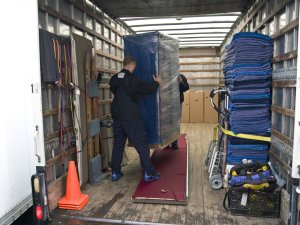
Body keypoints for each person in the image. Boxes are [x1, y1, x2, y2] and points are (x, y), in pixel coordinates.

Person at [109, 56, 161, 182]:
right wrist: (157, 82)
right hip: (131, 117)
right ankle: (149, 173)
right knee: (142, 144)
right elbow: (148, 89)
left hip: (117, 116)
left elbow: (115, 90)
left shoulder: (114, 79)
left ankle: (115, 172)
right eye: (134, 67)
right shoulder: (133, 80)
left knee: (118, 145)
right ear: (132, 65)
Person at [171, 73, 189, 149]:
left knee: (176, 122)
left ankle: (174, 142)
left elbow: (186, 87)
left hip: (177, 102)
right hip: (166, 103)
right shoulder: (166, 75)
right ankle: (167, 141)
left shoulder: (180, 76)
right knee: (167, 122)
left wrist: (181, 82)